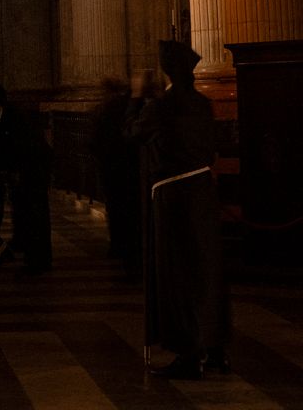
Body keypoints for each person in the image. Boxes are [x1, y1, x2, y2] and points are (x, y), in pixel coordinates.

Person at [126, 41, 230, 379]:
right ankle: (215, 349)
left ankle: (187, 355)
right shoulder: (202, 103)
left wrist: (136, 98)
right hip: (203, 192)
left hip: (173, 198)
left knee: (177, 275)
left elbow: (132, 135)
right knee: (208, 271)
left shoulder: (161, 106)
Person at [0, 85, 52, 275]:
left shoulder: (15, 118)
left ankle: (38, 261)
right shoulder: (6, 116)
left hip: (32, 171)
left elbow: (22, 148)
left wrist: (15, 170)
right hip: (27, 171)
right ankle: (27, 249)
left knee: (35, 215)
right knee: (25, 212)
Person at [91, 75, 139, 279]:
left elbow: (96, 139)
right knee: (127, 209)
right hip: (126, 166)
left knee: (117, 207)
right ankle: (124, 247)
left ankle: (119, 245)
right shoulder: (125, 106)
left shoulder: (106, 109)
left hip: (112, 165)